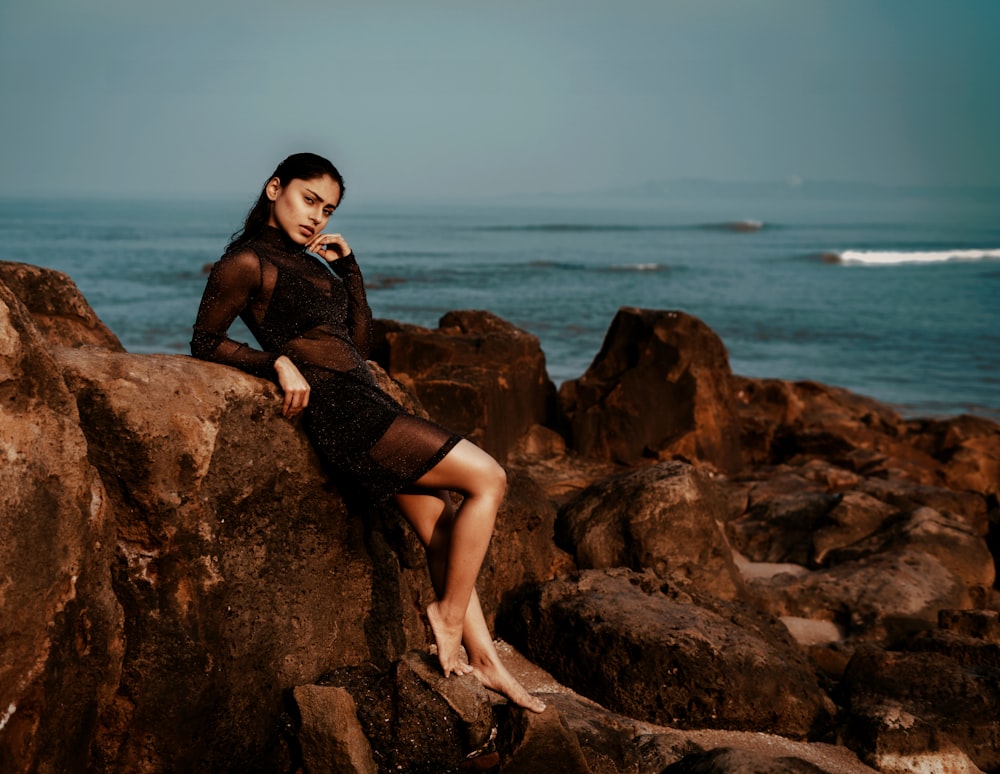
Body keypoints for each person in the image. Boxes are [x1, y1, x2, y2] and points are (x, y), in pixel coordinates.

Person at [191, 152, 545, 713]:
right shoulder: (246, 262)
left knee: (441, 525)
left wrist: (350, 268)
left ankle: (484, 661)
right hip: (341, 412)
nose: (317, 218)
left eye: (327, 209)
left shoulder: (315, 263)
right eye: (309, 200)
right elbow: (204, 341)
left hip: (364, 395)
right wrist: (275, 363)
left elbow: (358, 341)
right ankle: (447, 617)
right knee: (488, 478)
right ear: (274, 187)